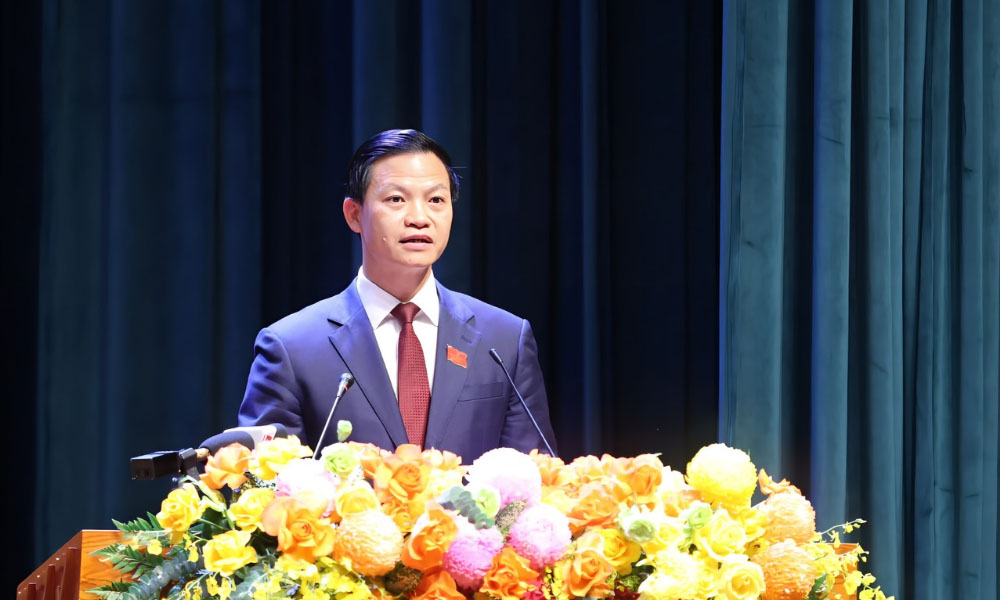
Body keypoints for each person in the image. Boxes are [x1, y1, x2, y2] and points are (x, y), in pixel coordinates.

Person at [238, 129, 557, 462]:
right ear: (354, 214)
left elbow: (533, 480)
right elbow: (264, 489)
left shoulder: (504, 341)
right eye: (396, 200)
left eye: (436, 200)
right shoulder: (292, 348)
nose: (419, 218)